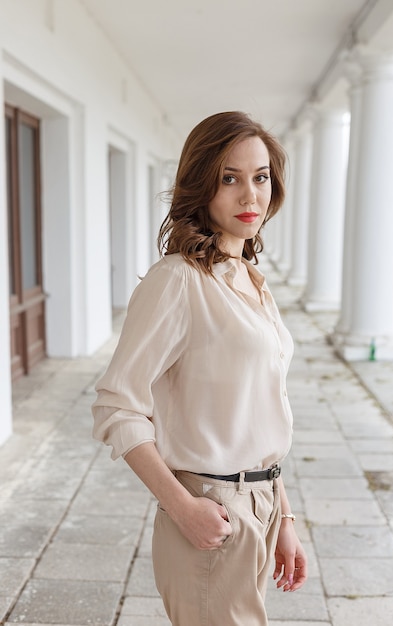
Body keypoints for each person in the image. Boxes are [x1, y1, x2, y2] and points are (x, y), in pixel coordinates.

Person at [92, 111, 308, 626]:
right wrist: (184, 508)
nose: (249, 195)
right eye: (229, 178)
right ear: (201, 184)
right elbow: (116, 407)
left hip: (261, 505)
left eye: (260, 177)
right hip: (210, 509)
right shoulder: (178, 281)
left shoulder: (253, 282)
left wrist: (283, 516)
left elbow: (256, 412)